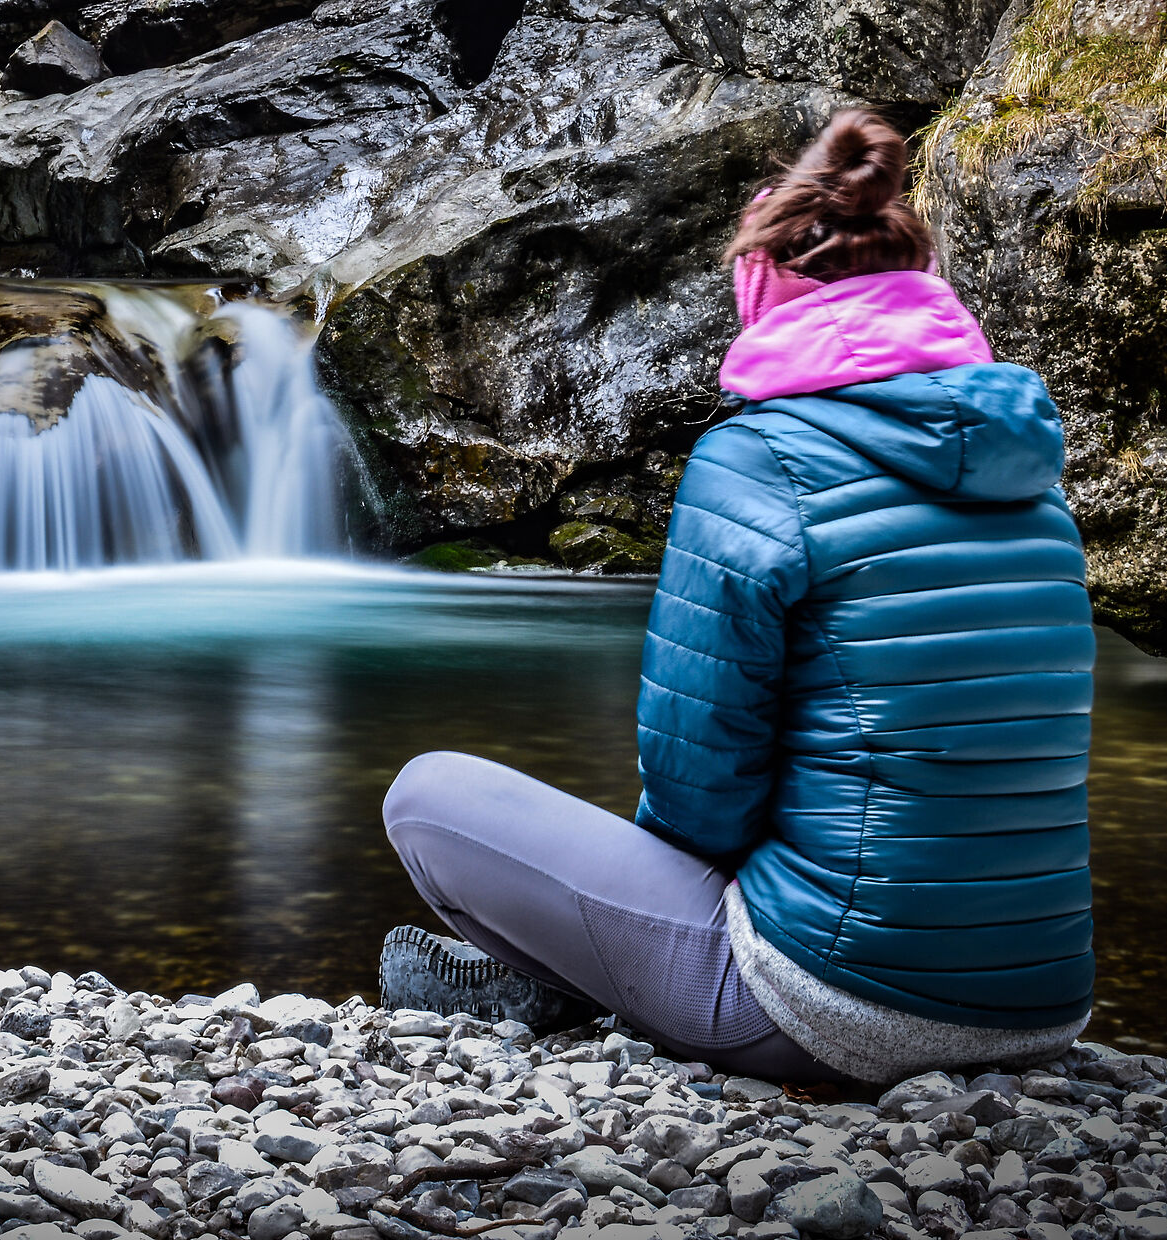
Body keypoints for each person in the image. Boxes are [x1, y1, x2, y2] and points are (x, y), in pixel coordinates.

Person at [376, 108, 1095, 1084]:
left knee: (427, 799)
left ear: (763, 293)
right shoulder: (1034, 480)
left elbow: (699, 795)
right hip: (1044, 1002)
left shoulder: (759, 460)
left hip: (835, 1010)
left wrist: (630, 905)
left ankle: (561, 980)